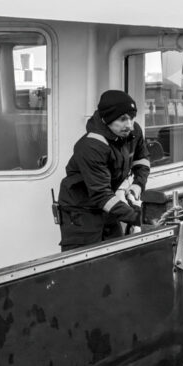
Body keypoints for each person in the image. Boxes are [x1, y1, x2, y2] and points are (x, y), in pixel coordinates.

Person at [57, 90, 151, 251]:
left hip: (107, 204)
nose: (129, 125)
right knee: (84, 264)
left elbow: (142, 160)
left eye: (132, 117)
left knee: (116, 254)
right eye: (122, 119)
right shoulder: (91, 146)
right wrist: (138, 217)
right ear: (107, 119)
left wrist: (138, 184)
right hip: (80, 211)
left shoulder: (133, 132)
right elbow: (101, 195)